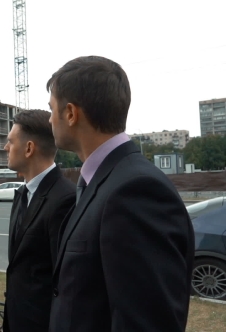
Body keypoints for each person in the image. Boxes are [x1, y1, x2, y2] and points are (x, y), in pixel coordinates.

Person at [47, 56, 194, 331]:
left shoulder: (134, 190)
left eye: (51, 109)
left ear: (70, 113)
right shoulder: (105, 180)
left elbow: (148, 323)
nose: (49, 119)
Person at [3, 110, 75, 332]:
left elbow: (64, 283)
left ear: (29, 148)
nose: (6, 148)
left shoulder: (65, 199)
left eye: (10, 141)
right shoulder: (22, 194)